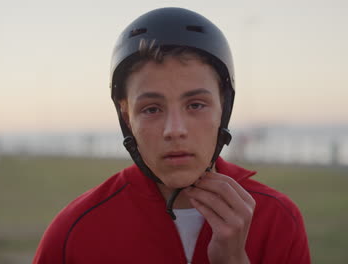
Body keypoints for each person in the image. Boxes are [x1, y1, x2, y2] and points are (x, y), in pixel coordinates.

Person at [33, 7, 310, 264]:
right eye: (152, 109)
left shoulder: (278, 220)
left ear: (223, 109)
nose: (174, 130)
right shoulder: (74, 232)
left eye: (196, 105)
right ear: (127, 118)